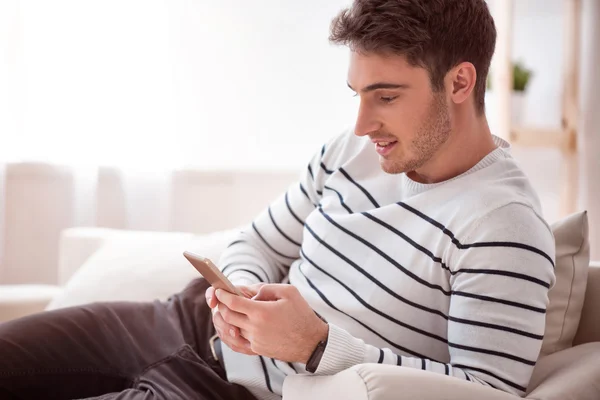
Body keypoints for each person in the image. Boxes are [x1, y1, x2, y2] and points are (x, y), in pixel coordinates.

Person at [0, 0, 556, 399]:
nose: (362, 124)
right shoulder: (352, 150)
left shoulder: (503, 226)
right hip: (183, 321)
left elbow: (485, 392)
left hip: (234, 390)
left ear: (460, 83)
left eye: (385, 96)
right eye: (357, 94)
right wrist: (240, 295)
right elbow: (257, 242)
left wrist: (316, 345)